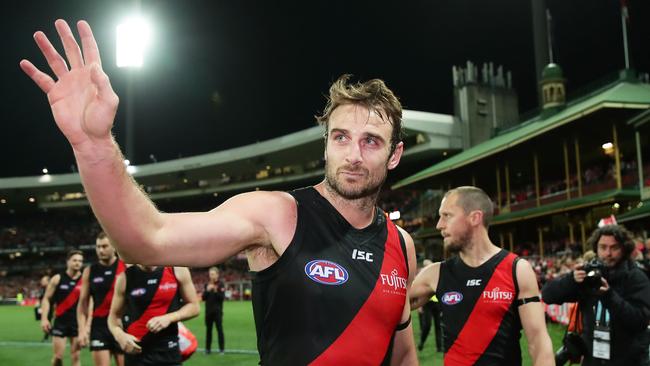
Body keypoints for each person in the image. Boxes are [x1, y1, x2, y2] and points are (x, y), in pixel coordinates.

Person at [21, 19, 418, 365]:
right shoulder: (277, 214)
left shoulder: (401, 245)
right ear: (326, 144)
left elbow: (402, 354)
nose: (352, 154)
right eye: (341, 137)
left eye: (371, 141)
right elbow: (145, 240)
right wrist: (93, 146)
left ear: (394, 154)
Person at [410, 186, 554, 365]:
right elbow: (390, 306)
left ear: (475, 218)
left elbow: (538, 343)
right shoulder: (435, 273)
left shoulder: (517, 270)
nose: (439, 225)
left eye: (447, 215)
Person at [542, 224, 650, 365]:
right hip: (593, 359)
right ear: (596, 249)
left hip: (629, 360)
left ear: (624, 249)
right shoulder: (589, 275)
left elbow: (640, 321)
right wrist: (571, 280)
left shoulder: (636, 277)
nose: (608, 253)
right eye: (603, 247)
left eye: (614, 247)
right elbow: (548, 296)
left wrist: (609, 296)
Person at [107, 265, 199, 366]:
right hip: (136, 355)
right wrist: (119, 335)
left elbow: (194, 307)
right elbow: (114, 317)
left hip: (168, 354)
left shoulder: (176, 269)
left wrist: (169, 318)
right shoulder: (125, 277)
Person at [77, 232, 126, 366]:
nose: (100, 250)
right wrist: (82, 330)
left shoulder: (125, 267)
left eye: (104, 246)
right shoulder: (90, 271)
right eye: (98, 247)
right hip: (99, 327)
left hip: (122, 326)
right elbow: (83, 304)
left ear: (114, 247)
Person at [40, 250, 84, 366]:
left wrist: (87, 326)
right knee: (57, 357)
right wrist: (44, 318)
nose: (77, 263)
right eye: (74, 260)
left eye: (80, 261)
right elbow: (46, 299)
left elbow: (89, 303)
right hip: (61, 322)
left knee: (76, 357)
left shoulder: (85, 280)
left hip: (78, 323)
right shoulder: (57, 279)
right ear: (67, 262)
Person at [416, 259, 441, 353]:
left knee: (438, 326)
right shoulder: (423, 277)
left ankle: (439, 347)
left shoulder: (437, 276)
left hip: (437, 304)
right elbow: (419, 291)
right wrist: (419, 306)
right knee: (427, 325)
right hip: (427, 304)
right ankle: (421, 342)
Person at [203, 266, 225, 354]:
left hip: (217, 312)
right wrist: (207, 290)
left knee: (219, 330)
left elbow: (222, 298)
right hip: (208, 312)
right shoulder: (206, 285)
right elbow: (203, 298)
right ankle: (208, 349)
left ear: (217, 275)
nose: (211, 276)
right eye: (210, 274)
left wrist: (216, 290)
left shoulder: (221, 284)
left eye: (212, 274)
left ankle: (221, 350)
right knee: (208, 331)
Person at [36, 274, 54, 341]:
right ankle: (50, 335)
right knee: (46, 322)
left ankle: (50, 335)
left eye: (43, 280)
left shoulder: (51, 289)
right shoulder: (43, 289)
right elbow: (40, 298)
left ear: (48, 281)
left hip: (49, 308)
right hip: (43, 308)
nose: (41, 281)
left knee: (47, 321)